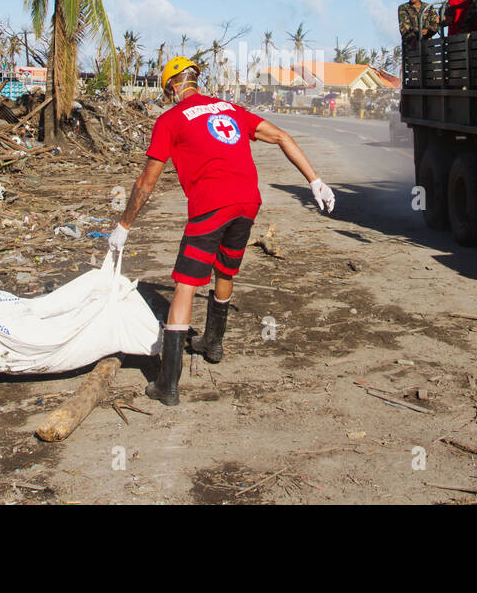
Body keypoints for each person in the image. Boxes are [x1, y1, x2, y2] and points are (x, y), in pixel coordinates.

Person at [108, 57, 335, 406]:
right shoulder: (230, 109)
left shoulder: (170, 120)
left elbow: (146, 181)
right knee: (225, 270)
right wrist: (315, 181)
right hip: (247, 201)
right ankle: (212, 343)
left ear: (171, 87)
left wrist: (124, 226)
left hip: (211, 206)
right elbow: (281, 136)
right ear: (195, 81)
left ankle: (167, 384)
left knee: (185, 285)